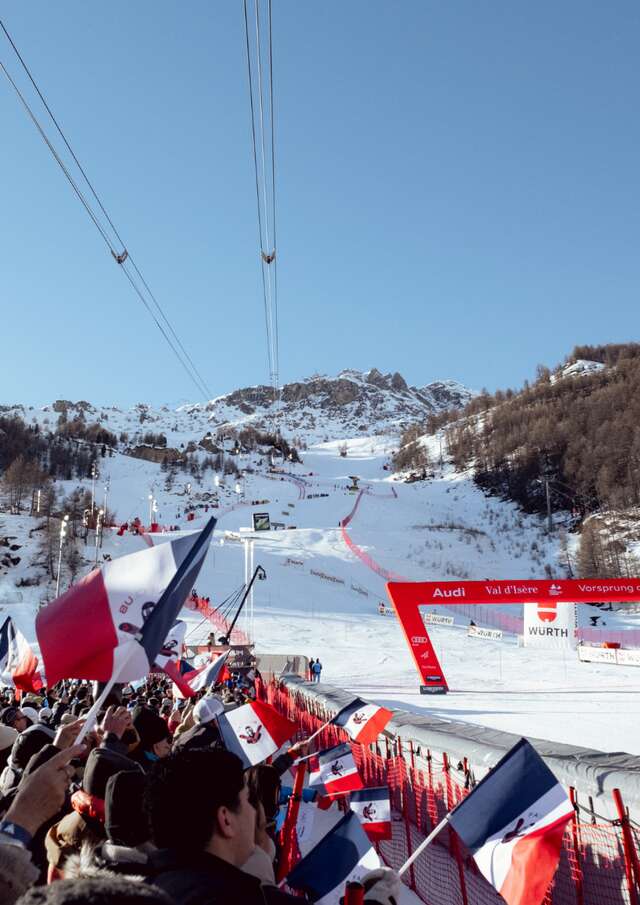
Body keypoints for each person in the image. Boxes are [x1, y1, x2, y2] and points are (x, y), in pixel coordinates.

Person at [145, 748, 299, 904]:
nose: (255, 811)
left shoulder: (139, 892)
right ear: (225, 819)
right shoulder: (247, 897)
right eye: (247, 800)